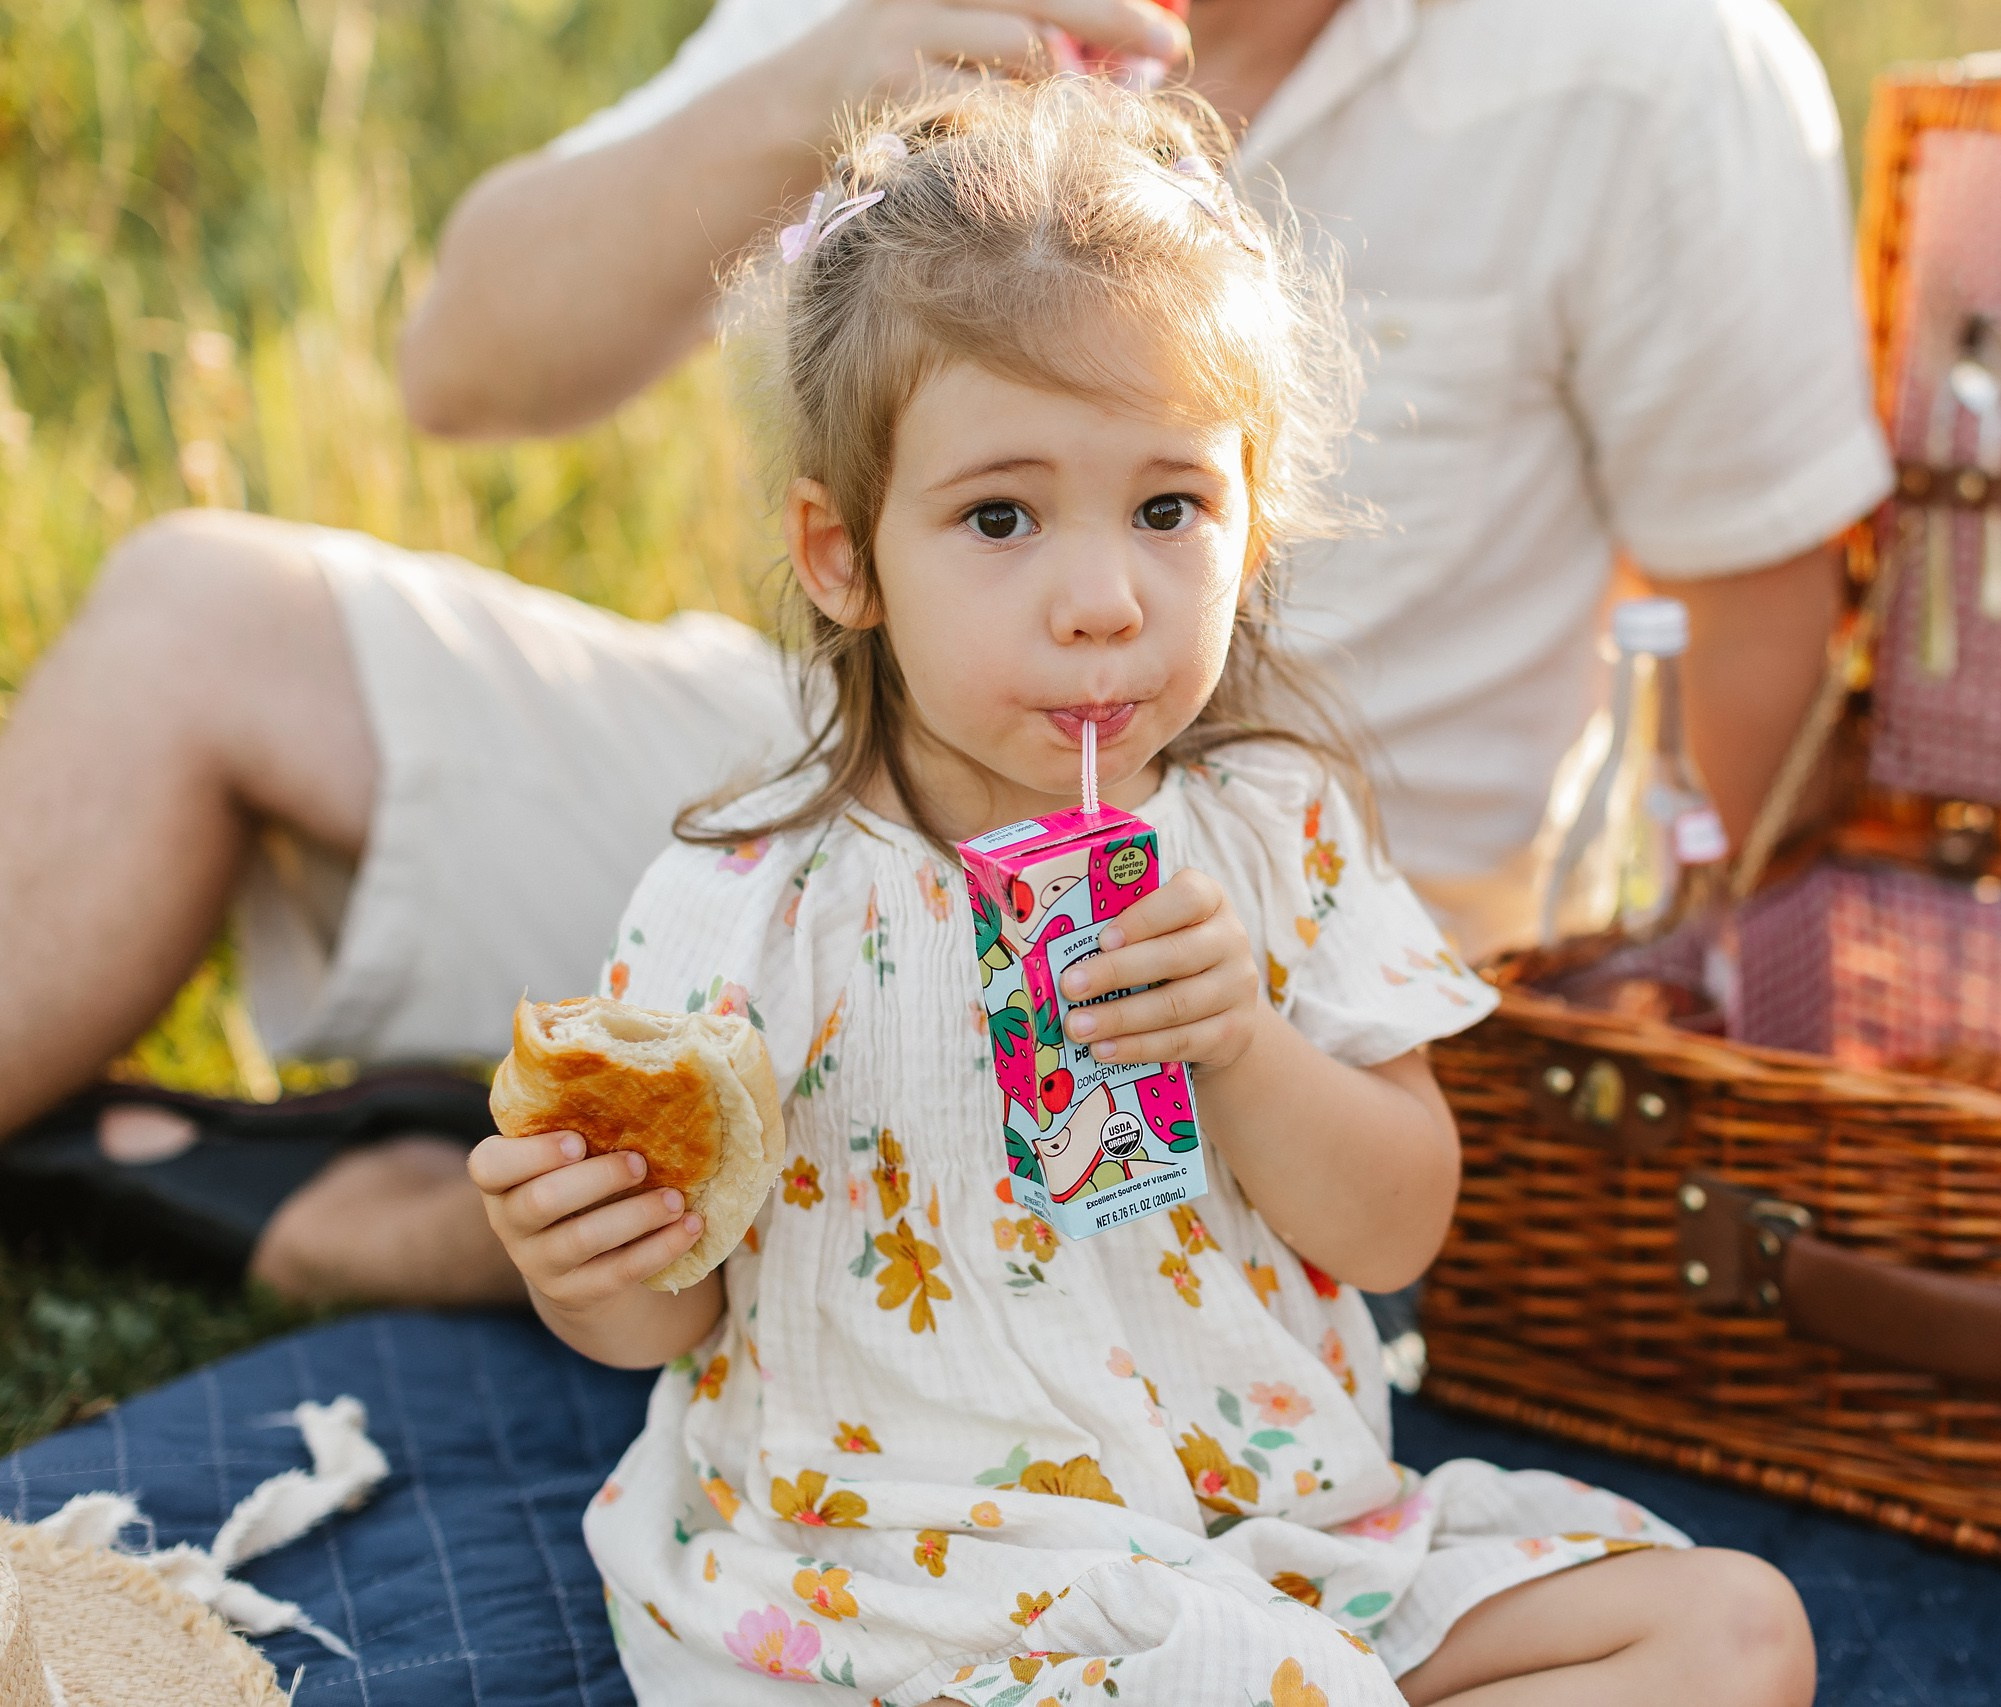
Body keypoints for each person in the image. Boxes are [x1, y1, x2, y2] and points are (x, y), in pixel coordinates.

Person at [0, 0, 1887, 1305]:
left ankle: (434, 1228)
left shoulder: (1658, 58)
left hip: (1272, 931)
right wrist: (812, 81)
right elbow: (465, 365)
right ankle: (487, 1225)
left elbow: (1763, 680)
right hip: (841, 789)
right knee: (194, 616)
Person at [467, 77, 1814, 1705]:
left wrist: (1242, 1045)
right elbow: (664, 1328)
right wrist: (590, 1261)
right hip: (910, 1584)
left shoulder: (1274, 832)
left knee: (1733, 1633)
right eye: (1002, 517)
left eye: (1169, 508)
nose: (1103, 599)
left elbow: (1398, 1226)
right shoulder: (750, 899)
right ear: (844, 558)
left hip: (1270, 1541)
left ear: (1251, 520)